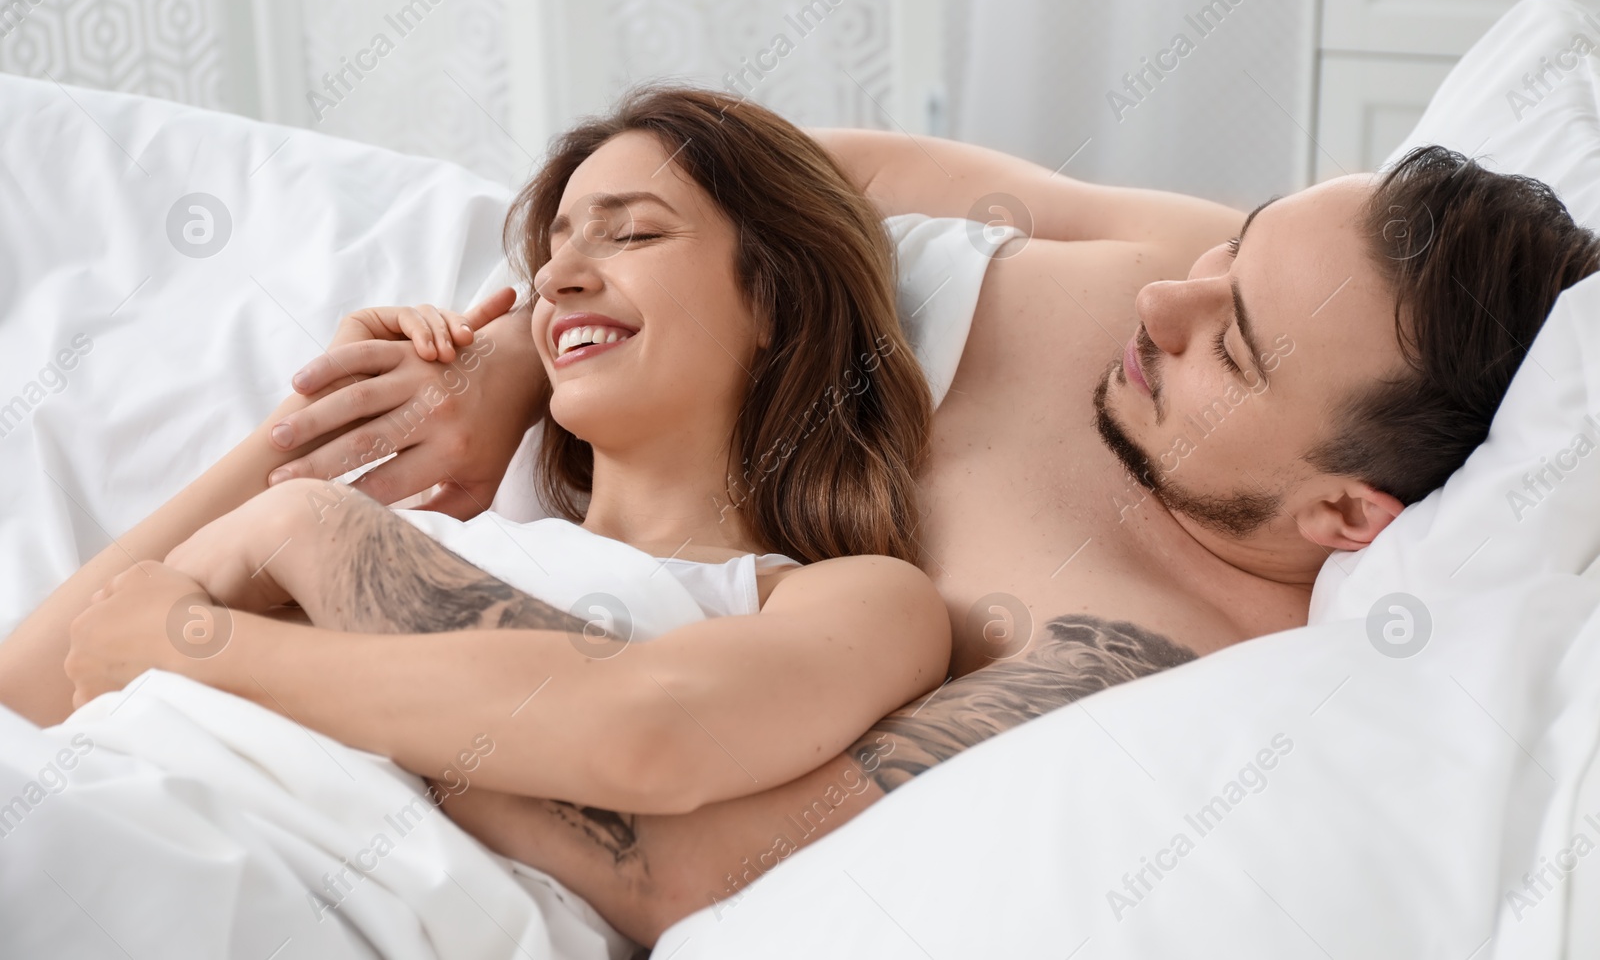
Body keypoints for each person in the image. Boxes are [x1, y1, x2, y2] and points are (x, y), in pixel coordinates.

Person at [17, 121, 1600, 948]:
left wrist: (245, 622)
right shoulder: (1186, 278)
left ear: (1344, 513)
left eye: (1230, 343)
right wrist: (521, 360)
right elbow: (797, 183)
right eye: (1232, 246)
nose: (1170, 298)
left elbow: (679, 846)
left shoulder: (1121, 658)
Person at [0, 88, 954, 822]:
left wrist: (206, 648)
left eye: (633, 233)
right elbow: (26, 697)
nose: (557, 277)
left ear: (779, 299)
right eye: (553, 252)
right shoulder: (410, 533)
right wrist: (307, 431)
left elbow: (651, 736)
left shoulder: (848, 597)